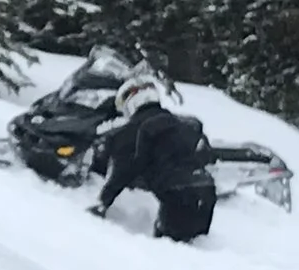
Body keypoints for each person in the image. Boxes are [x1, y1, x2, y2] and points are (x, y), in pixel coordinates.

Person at [88, 76, 218, 241]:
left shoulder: (130, 131)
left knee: (167, 249)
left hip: (176, 192)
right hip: (206, 190)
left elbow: (123, 170)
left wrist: (103, 202)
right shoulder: (182, 124)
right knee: (195, 246)